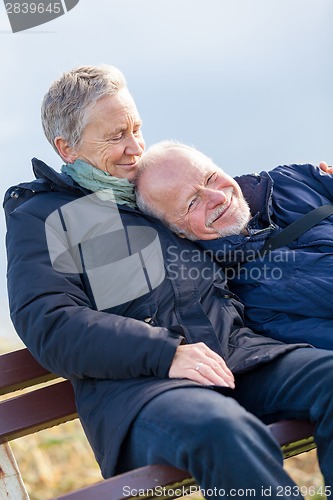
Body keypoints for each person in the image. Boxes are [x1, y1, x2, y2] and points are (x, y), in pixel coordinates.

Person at [4, 65, 333, 497]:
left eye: (136, 128)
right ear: (67, 148)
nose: (134, 147)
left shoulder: (149, 194)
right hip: (144, 391)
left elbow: (228, 197)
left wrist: (315, 180)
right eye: (115, 136)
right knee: (222, 430)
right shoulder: (46, 215)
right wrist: (165, 354)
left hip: (240, 360)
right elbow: (50, 322)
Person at [136, 140, 333, 350]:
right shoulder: (242, 299)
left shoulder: (292, 181)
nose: (218, 197)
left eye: (211, 178)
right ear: (175, 230)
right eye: (192, 202)